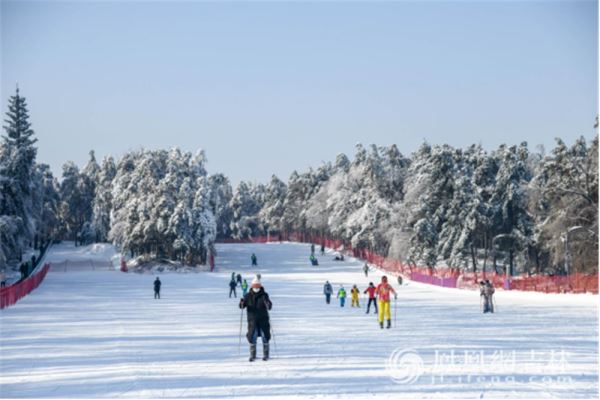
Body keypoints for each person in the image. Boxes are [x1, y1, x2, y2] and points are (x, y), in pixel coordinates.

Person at [239, 276, 272, 361]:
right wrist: (242, 303)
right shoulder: (248, 295)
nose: (256, 288)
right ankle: (252, 355)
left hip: (263, 319)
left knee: (265, 336)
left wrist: (267, 303)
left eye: (258, 286)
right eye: (255, 286)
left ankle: (266, 355)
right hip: (252, 320)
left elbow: (269, 305)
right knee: (252, 336)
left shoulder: (264, 295)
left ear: (260, 286)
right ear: (252, 286)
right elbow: (242, 306)